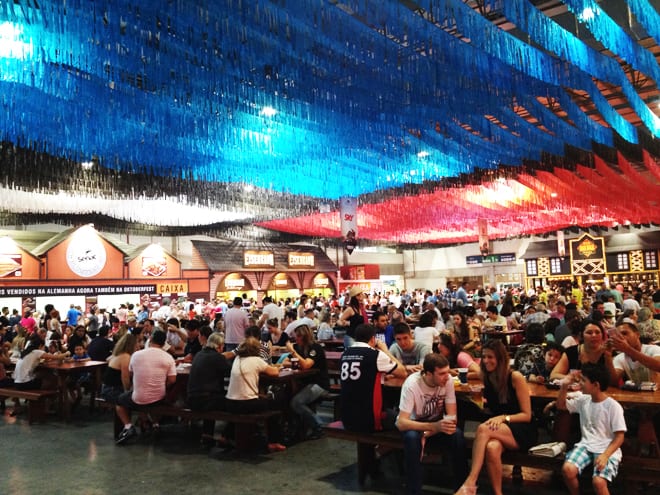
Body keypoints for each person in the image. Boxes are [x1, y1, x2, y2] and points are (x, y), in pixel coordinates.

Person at [455, 340, 536, 495]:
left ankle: (471, 482)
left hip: (522, 429)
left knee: (483, 429)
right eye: (484, 357)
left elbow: (526, 415)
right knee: (492, 448)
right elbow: (471, 374)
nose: (486, 361)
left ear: (500, 358)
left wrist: (504, 418)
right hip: (501, 429)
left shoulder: (515, 377)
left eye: (490, 357)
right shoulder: (487, 376)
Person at [396, 353, 469, 494]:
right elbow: (401, 423)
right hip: (414, 424)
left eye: (447, 372)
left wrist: (430, 432)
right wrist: (431, 427)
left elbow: (452, 417)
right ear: (428, 374)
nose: (447, 376)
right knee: (412, 438)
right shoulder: (412, 384)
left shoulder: (447, 381)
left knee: (457, 435)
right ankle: (414, 490)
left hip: (434, 426)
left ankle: (462, 488)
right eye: (441, 373)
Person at [557, 364, 626, 495]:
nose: (580, 383)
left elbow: (620, 436)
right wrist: (564, 386)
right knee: (567, 470)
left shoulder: (613, 406)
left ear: (596, 385)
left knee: (598, 482)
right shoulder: (584, 400)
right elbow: (561, 406)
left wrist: (605, 455)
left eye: (583, 380)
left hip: (607, 448)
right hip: (586, 445)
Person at [224, 336, 286, 453]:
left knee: (254, 401)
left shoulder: (237, 359)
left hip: (230, 403)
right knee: (275, 405)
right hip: (247, 404)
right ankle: (273, 441)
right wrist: (279, 366)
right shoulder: (256, 360)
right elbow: (274, 372)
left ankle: (226, 435)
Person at [340, 323, 406, 432]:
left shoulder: (345, 354)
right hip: (369, 418)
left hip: (347, 417)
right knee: (407, 421)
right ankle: (386, 448)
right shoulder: (375, 355)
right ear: (373, 339)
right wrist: (385, 350)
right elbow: (402, 372)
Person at [115, 330, 177, 445]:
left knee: (120, 401)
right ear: (164, 343)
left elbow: (131, 373)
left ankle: (128, 426)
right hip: (158, 397)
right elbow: (173, 380)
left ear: (151, 340)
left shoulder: (136, 355)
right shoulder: (168, 357)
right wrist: (162, 384)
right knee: (157, 399)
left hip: (137, 398)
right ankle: (155, 424)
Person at [286, 324, 330, 440]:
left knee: (296, 402)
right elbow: (286, 361)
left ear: (304, 337)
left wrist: (293, 353)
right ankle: (294, 429)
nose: (295, 339)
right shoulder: (298, 347)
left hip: (319, 384)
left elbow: (306, 365)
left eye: (297, 337)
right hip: (304, 383)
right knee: (285, 397)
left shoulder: (315, 348)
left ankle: (319, 426)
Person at [187, 333, 232, 443]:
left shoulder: (199, 354)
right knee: (236, 405)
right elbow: (232, 372)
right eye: (222, 346)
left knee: (213, 396)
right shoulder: (218, 357)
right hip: (206, 401)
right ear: (219, 346)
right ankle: (227, 436)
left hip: (191, 399)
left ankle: (207, 434)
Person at [550, 320, 617, 386]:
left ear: (602, 336)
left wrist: (608, 357)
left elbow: (613, 382)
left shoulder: (609, 352)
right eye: (589, 333)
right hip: (575, 394)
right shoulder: (571, 352)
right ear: (581, 335)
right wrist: (571, 378)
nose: (594, 335)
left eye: (597, 332)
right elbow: (553, 375)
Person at [611, 319, 660, 384]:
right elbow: (613, 381)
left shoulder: (654, 349)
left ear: (637, 335)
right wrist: (608, 356)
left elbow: (658, 366)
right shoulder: (620, 358)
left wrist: (628, 349)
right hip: (638, 393)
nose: (621, 337)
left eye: (624, 333)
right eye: (618, 336)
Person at [100, 333, 139, 404]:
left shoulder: (117, 354)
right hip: (112, 390)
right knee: (137, 398)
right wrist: (127, 392)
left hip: (106, 388)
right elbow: (125, 379)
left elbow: (107, 359)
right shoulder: (125, 357)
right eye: (136, 343)